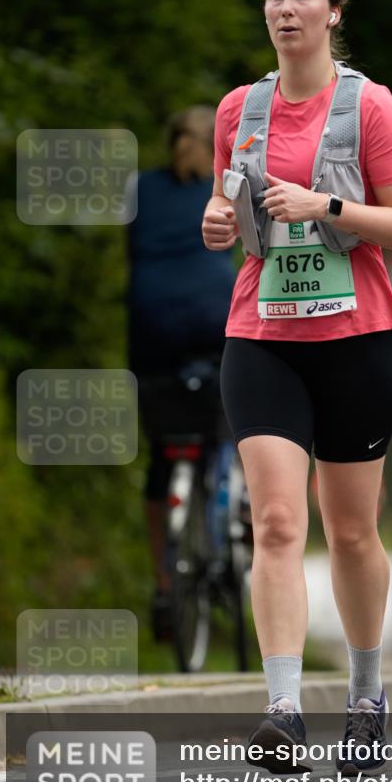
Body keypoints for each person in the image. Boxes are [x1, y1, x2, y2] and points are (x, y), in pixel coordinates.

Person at [202, 0, 392, 776]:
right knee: (275, 522)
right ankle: (283, 710)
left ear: (333, 10)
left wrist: (326, 203)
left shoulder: (370, 107)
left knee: (352, 531)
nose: (285, 9)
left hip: (356, 342)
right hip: (263, 338)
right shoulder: (239, 109)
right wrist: (216, 224)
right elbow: (226, 209)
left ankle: (365, 697)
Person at [127, 107, 236, 634]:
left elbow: (134, 251)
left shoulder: (139, 189)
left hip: (150, 328)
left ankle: (164, 582)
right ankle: (234, 525)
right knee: (233, 425)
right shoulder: (227, 187)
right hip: (214, 321)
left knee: (161, 453)